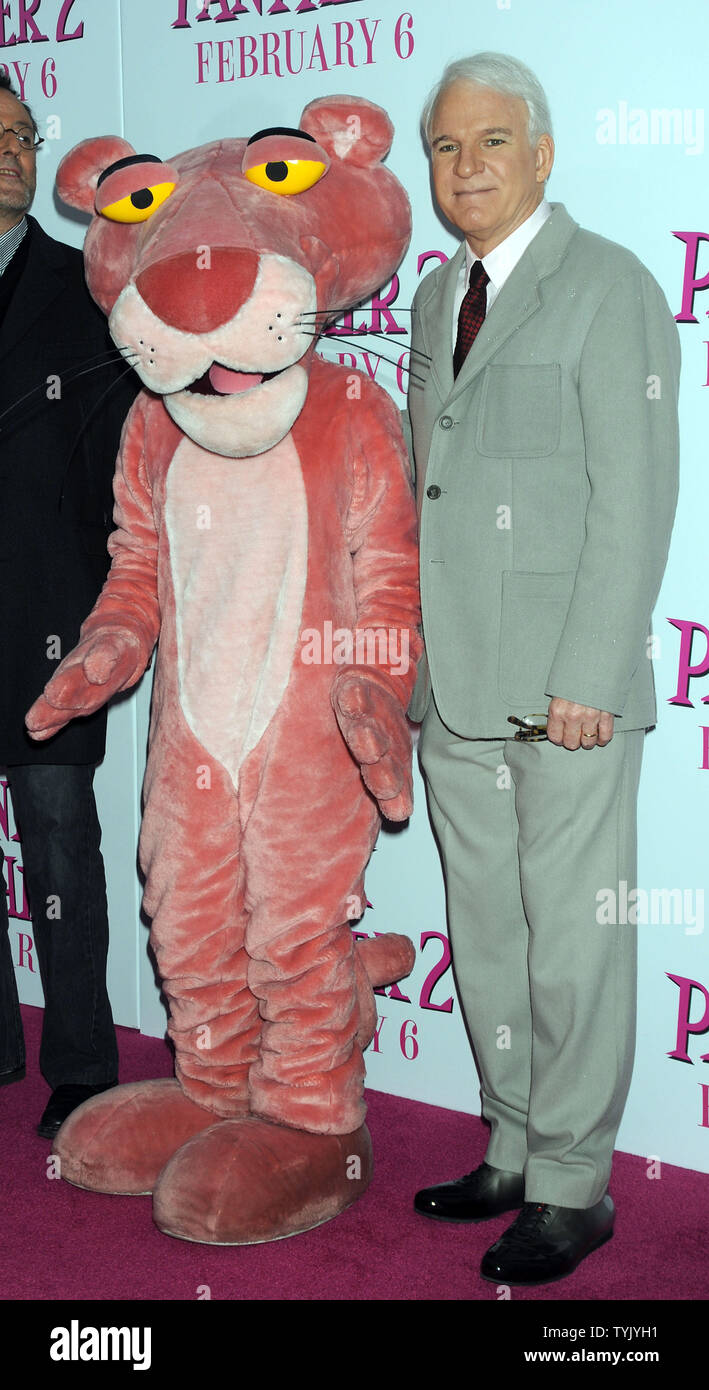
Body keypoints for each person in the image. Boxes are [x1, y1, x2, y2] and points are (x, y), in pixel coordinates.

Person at [405, 52, 679, 1285]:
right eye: (446, 148)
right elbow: (437, 493)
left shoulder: (607, 285)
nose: (465, 169)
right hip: (456, 685)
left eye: (490, 143)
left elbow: (635, 494)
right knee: (495, 936)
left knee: (572, 943)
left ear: (543, 151)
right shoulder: (431, 298)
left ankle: (575, 1184)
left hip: (564, 692)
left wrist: (589, 672)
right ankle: (512, 1143)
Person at [0, 75, 137, 1137]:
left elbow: (117, 466)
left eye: (20, 135)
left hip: (49, 617)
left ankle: (83, 1064)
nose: (10, 152)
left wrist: (101, 608)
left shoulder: (82, 286)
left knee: (60, 847)